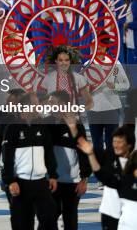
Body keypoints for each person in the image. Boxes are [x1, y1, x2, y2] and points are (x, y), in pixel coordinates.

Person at [2, 96, 59, 230]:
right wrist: (10, 181)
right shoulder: (12, 129)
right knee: (22, 223)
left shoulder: (42, 127)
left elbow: (49, 153)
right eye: (35, 105)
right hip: (20, 183)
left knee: (50, 219)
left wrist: (53, 175)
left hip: (41, 183)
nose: (38, 107)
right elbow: (7, 157)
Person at [45, 91, 91, 230]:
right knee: (48, 218)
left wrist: (84, 179)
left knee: (70, 219)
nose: (49, 105)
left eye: (52, 102)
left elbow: (84, 153)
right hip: (50, 180)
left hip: (72, 182)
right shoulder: (45, 123)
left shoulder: (76, 126)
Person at [76, 127, 137, 230]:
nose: (116, 145)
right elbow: (102, 175)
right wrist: (90, 155)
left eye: (120, 142)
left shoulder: (132, 164)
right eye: (114, 141)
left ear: (129, 145)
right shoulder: (109, 159)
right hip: (111, 213)